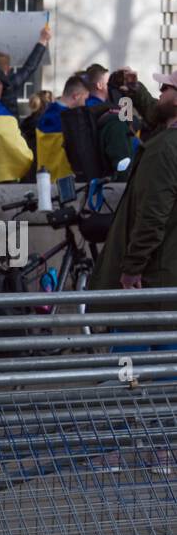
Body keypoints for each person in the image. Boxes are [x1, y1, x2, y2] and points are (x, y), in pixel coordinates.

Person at [88, 73, 177, 371]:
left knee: (131, 362)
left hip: (153, 276)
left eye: (165, 88)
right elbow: (155, 111)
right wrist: (135, 92)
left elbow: (152, 216)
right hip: (167, 275)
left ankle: (124, 417)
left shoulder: (165, 148)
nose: (160, 93)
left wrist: (131, 268)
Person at [0, 22, 51, 117]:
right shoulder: (10, 83)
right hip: (7, 127)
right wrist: (43, 40)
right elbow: (29, 66)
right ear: (8, 68)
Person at [34, 76, 90, 181]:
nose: (85, 104)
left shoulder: (44, 115)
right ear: (76, 96)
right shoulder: (70, 122)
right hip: (66, 182)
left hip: (45, 179)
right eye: (85, 99)